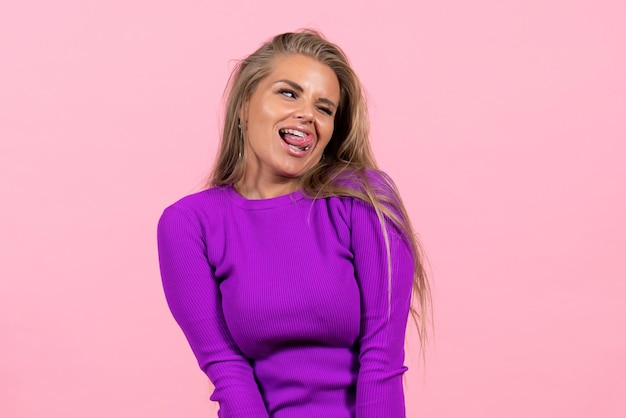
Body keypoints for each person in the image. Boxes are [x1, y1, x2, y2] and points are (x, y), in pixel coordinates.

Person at [157, 29, 431, 418]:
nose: (307, 114)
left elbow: (382, 361)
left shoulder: (363, 199)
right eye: (289, 93)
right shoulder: (189, 224)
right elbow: (228, 373)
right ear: (244, 104)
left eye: (325, 108)